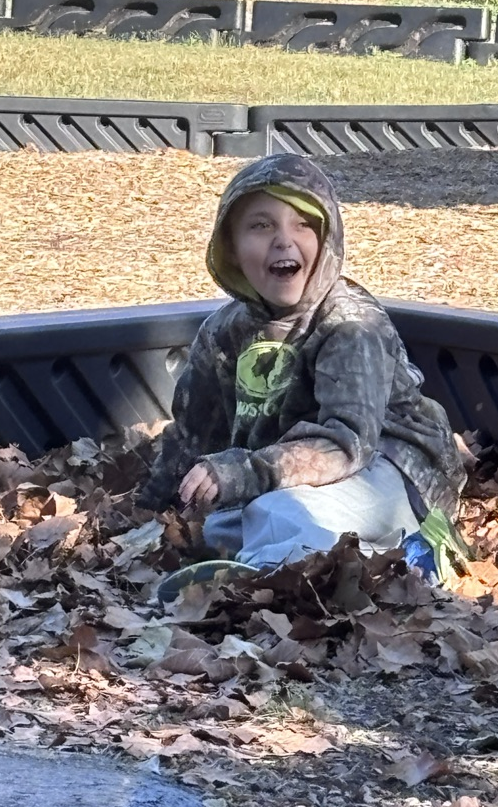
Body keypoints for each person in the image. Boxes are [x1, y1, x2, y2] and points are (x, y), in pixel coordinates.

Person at [137, 154, 467, 594]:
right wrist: (148, 511)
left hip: (390, 470)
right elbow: (192, 433)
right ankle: (298, 566)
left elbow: (345, 443)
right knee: (224, 524)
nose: (283, 241)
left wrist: (243, 471)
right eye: (261, 226)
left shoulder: (350, 325)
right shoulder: (223, 332)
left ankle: (399, 556)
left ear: (327, 240)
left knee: (282, 514)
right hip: (289, 479)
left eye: (303, 225)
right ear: (230, 246)